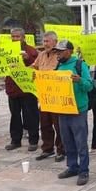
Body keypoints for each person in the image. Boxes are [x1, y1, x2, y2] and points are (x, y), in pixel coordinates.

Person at [53, 40, 93, 186]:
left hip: (78, 109)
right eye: (57, 51)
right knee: (67, 140)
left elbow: (89, 86)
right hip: (63, 109)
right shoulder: (58, 66)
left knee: (80, 141)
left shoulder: (80, 65)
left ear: (69, 51)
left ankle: (83, 171)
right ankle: (72, 167)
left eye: (61, 51)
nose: (58, 54)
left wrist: (80, 80)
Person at [31, 31, 65, 162]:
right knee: (45, 124)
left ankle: (61, 150)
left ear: (55, 42)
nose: (45, 44)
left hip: (57, 96)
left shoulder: (60, 56)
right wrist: (21, 69)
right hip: (43, 96)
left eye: (48, 41)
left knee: (59, 125)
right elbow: (34, 67)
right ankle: (47, 149)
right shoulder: (42, 55)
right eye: (44, 41)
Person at [4, 28, 39, 151]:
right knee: (15, 116)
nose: (14, 39)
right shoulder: (6, 50)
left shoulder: (31, 51)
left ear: (23, 38)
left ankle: (33, 140)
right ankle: (15, 140)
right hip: (12, 88)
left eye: (17, 37)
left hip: (27, 89)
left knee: (31, 115)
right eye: (13, 37)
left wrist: (28, 58)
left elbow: (37, 66)